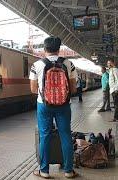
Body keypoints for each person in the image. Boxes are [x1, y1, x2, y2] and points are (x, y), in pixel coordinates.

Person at [30, 36, 78, 179]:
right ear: (59, 49)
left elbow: (33, 89)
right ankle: (69, 170)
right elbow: (74, 88)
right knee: (65, 136)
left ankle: (44, 171)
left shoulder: (36, 65)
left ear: (45, 49)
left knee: (44, 136)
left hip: (43, 105)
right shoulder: (69, 64)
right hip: (64, 105)